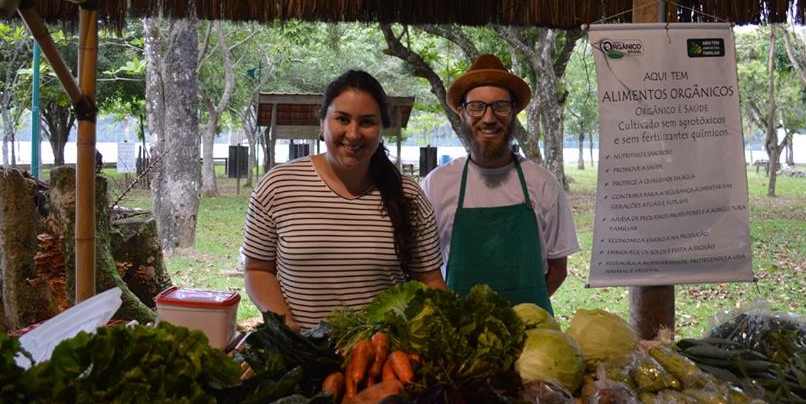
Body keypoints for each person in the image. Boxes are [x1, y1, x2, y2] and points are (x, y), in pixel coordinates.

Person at [241, 70, 445, 331]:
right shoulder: (278, 185)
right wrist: (285, 324)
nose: (353, 133)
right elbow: (258, 270)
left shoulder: (409, 195)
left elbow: (429, 279)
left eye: (367, 122)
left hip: (383, 357)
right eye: (342, 119)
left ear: (382, 127)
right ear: (322, 122)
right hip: (302, 352)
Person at [421, 54, 579, 315]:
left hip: (533, 336)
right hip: (460, 336)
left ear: (514, 112)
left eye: (501, 106)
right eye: (477, 107)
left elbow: (558, 269)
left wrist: (518, 318)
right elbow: (426, 270)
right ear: (461, 112)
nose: (489, 117)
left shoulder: (543, 184)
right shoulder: (436, 185)